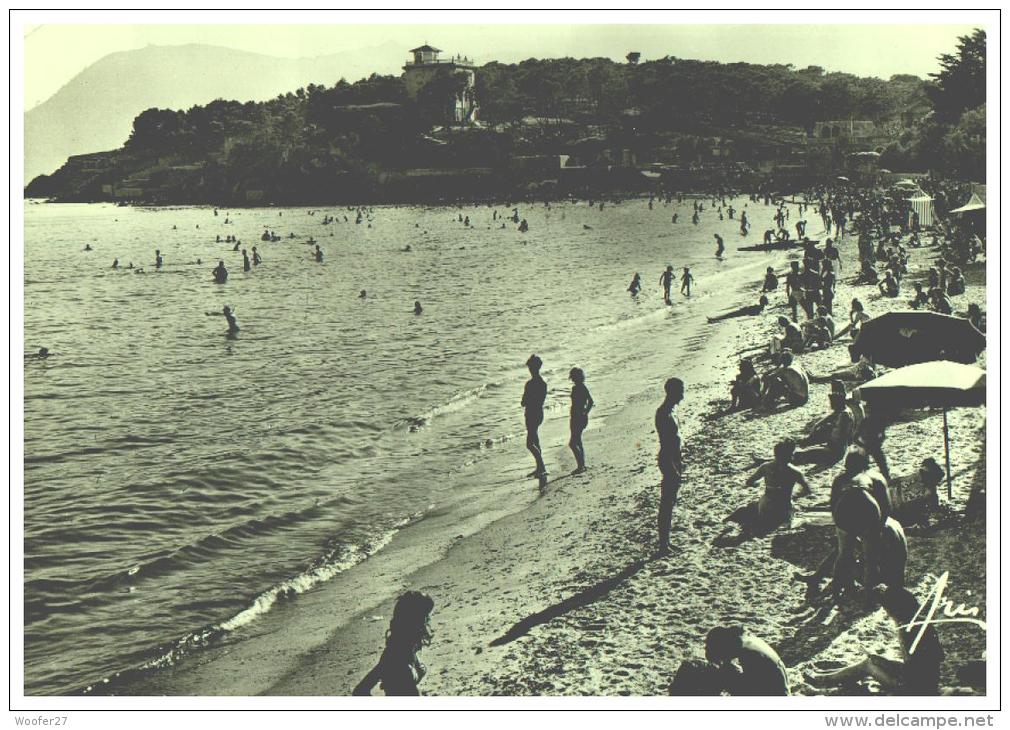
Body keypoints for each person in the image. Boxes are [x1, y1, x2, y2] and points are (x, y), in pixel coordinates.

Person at [807, 585, 943, 695]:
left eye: (887, 610)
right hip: (929, 684)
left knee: (868, 665)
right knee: (872, 660)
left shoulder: (906, 632)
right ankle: (827, 676)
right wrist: (883, 661)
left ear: (895, 610)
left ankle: (824, 679)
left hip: (913, 690)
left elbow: (909, 675)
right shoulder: (921, 623)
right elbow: (934, 659)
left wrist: (883, 662)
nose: (887, 614)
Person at [353, 591, 435, 696]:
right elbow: (360, 691)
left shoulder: (405, 648)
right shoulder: (394, 656)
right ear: (414, 622)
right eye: (425, 617)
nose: (427, 621)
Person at [733, 439, 811, 532]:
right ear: (789, 455)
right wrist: (795, 496)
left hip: (765, 506)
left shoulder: (765, 467)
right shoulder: (795, 472)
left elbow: (749, 482)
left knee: (753, 505)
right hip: (783, 509)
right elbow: (807, 490)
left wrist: (757, 485)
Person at [705, 626, 790, 696]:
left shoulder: (749, 655)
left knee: (725, 675)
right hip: (781, 689)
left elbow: (751, 688)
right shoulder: (747, 639)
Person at [655, 377, 684, 556]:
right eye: (681, 391)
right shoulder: (663, 413)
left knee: (670, 501)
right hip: (668, 459)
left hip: (674, 458)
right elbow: (667, 443)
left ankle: (666, 541)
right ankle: (663, 544)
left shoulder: (672, 410)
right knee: (666, 502)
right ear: (672, 392)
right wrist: (673, 466)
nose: (683, 395)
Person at [793, 392, 854, 467]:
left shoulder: (844, 416)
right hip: (834, 446)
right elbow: (830, 417)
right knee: (823, 430)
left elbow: (841, 436)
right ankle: (807, 442)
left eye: (832, 402)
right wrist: (816, 425)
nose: (831, 404)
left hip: (835, 450)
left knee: (801, 454)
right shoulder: (844, 410)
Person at [521, 355, 548, 477]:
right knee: (535, 440)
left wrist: (528, 400)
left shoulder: (530, 384)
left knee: (530, 443)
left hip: (531, 414)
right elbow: (540, 400)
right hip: (539, 413)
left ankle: (541, 466)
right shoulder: (543, 383)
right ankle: (539, 467)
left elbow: (523, 402)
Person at [568, 367, 594, 474]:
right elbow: (590, 402)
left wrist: (585, 412)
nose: (573, 378)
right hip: (578, 416)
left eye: (573, 376)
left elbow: (591, 401)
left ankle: (581, 466)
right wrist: (585, 412)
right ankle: (582, 465)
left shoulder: (579, 388)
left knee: (572, 443)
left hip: (578, 417)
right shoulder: (581, 387)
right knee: (577, 441)